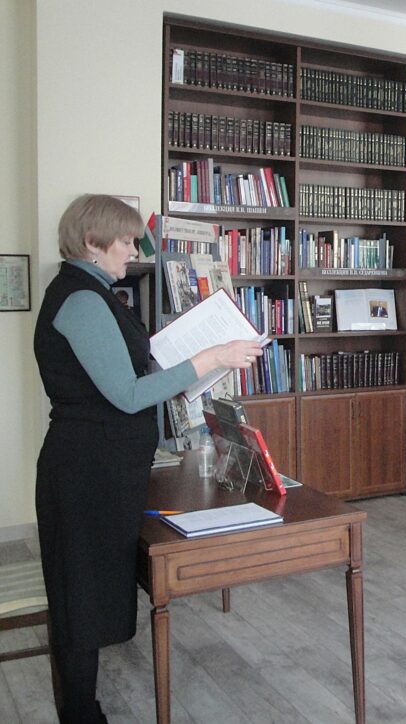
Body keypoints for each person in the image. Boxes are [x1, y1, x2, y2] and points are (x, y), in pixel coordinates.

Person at [34, 194, 264, 723]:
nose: (135, 252)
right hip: (87, 471)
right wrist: (209, 358)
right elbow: (128, 394)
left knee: (84, 593)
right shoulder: (82, 299)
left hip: (99, 465)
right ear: (92, 242)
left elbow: (132, 371)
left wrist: (187, 364)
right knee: (80, 597)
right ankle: (79, 713)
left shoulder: (92, 291)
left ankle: (81, 708)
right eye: (126, 241)